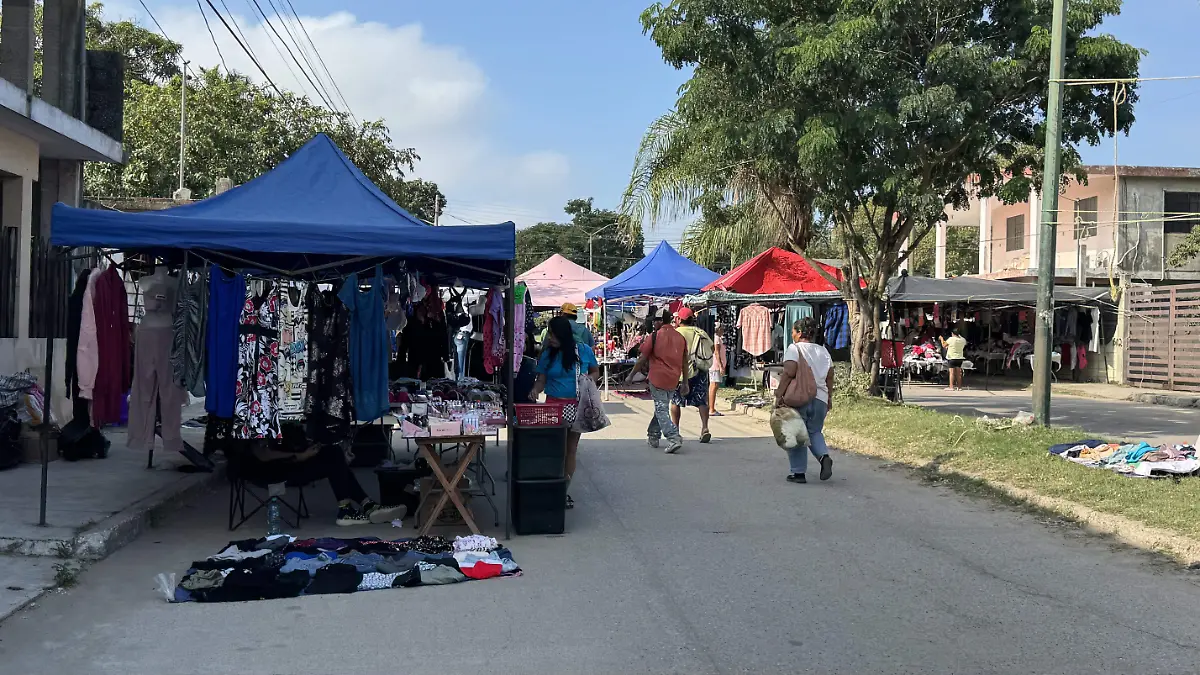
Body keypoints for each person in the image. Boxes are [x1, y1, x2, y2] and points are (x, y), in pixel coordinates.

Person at [241, 424, 409, 526]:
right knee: (334, 458)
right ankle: (352, 509)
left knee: (333, 454)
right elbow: (263, 455)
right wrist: (298, 456)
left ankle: (365, 506)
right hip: (273, 474)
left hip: (288, 465)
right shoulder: (251, 420)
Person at [529, 315, 600, 509]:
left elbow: (596, 371)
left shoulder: (583, 351)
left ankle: (563, 490)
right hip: (552, 407)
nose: (549, 338)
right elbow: (541, 380)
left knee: (570, 449)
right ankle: (553, 484)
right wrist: (535, 389)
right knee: (554, 449)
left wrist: (587, 380)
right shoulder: (547, 354)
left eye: (553, 334)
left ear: (563, 335)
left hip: (576, 406)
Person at [774, 317, 834, 484]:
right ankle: (824, 457)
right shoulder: (823, 351)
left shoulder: (794, 349)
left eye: (793, 331)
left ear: (800, 333)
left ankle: (798, 473)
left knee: (796, 434)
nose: (792, 334)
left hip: (799, 398)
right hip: (820, 399)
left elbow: (789, 372)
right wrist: (829, 398)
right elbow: (830, 377)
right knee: (814, 431)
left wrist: (779, 394)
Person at [632, 307, 687, 454]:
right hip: (673, 379)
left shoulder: (655, 336)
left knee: (661, 409)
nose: (653, 323)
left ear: (661, 321)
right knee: (661, 407)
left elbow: (642, 358)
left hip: (658, 379)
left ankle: (673, 437)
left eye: (655, 320)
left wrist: (631, 376)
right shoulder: (680, 337)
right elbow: (684, 362)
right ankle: (653, 435)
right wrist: (685, 382)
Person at [670, 308, 715, 443]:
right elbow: (711, 348)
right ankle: (705, 428)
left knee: (675, 401)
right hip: (699, 370)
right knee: (702, 401)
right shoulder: (700, 332)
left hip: (679, 372)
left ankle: (675, 430)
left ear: (679, 320)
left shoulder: (675, 333)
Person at [707, 320, 727, 417]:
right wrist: (721, 366)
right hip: (715, 365)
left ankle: (710, 407)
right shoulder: (717, 339)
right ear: (718, 329)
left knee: (713, 386)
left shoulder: (717, 338)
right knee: (714, 386)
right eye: (722, 328)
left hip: (714, 365)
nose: (723, 330)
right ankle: (711, 409)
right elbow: (717, 353)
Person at [941, 327, 967, 391]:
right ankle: (959, 387)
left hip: (952, 358)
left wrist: (941, 339)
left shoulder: (951, 339)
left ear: (952, 333)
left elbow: (944, 345)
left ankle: (951, 387)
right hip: (960, 358)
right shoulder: (963, 340)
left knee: (952, 373)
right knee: (959, 373)